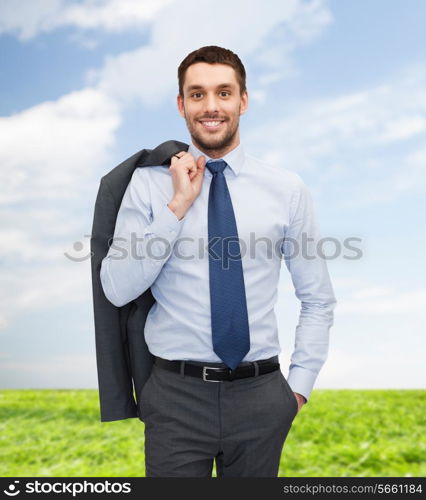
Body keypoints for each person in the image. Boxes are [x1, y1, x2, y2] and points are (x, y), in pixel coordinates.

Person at [100, 45, 337, 477]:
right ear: (181, 104)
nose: (211, 107)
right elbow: (117, 287)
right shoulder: (148, 185)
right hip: (175, 396)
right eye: (197, 94)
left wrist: (297, 390)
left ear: (243, 100)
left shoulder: (286, 189)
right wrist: (175, 208)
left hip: (262, 395)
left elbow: (318, 298)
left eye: (224, 93)